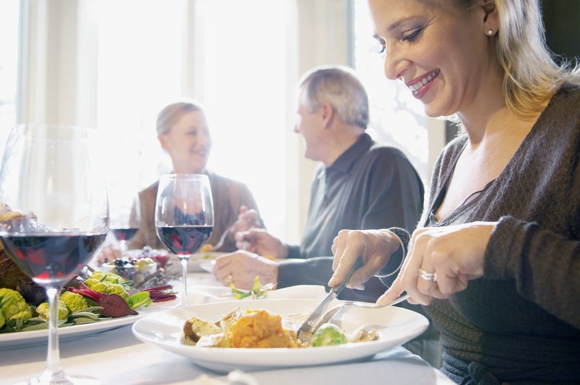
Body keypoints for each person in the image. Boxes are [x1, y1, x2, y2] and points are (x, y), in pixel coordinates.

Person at [329, 0, 580, 384]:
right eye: (384, 44)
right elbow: (457, 274)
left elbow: (494, 250)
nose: (390, 68)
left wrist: (499, 246)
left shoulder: (571, 127)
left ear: (489, 14)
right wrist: (396, 249)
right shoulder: (452, 159)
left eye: (410, 35)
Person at [213, 65, 441, 366]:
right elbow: (329, 259)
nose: (296, 127)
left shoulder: (386, 164)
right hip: (335, 339)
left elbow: (376, 276)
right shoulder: (322, 177)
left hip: (388, 346)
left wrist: (276, 272)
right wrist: (283, 252)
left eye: (299, 115)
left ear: (324, 114)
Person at [96, 101, 263, 263]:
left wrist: (253, 238)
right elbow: (132, 255)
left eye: (207, 132)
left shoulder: (236, 193)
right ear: (164, 141)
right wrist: (113, 254)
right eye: (192, 133)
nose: (204, 141)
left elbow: (266, 257)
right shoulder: (147, 199)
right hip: (170, 289)